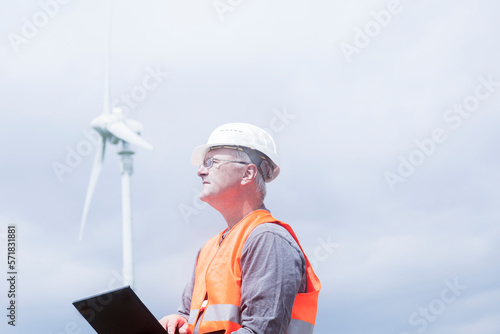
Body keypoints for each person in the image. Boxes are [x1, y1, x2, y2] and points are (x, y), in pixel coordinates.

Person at [159, 123, 321, 334]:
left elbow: (261, 331)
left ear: (247, 173)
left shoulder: (268, 239)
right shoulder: (208, 250)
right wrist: (178, 321)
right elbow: (192, 317)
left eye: (211, 162)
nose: (200, 171)